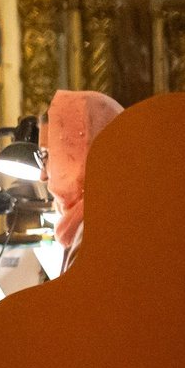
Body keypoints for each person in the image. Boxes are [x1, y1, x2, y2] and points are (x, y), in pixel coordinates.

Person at [43, 89, 123, 265]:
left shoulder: (98, 230)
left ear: (80, 152)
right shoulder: (85, 224)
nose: (43, 175)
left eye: (49, 155)